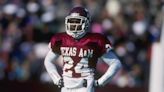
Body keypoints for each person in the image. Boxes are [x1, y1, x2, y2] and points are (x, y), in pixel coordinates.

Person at [44, 6, 122, 92]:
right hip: (65, 87)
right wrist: (56, 79)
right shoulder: (60, 39)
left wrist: (100, 82)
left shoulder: (95, 40)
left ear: (87, 23)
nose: (74, 25)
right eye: (72, 22)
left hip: (85, 87)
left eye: (77, 22)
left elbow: (115, 63)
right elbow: (48, 61)